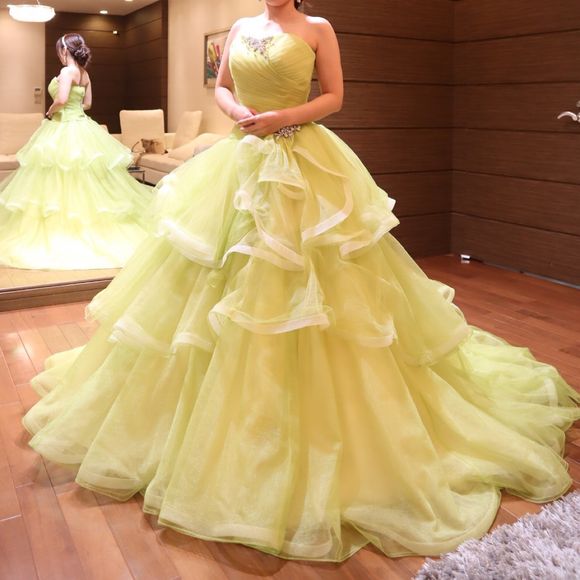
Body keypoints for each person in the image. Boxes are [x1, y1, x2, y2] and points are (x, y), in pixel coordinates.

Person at [22, 1, 580, 562]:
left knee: (312, 273)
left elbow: (334, 96)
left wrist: (283, 118)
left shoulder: (317, 28)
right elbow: (222, 87)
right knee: (218, 273)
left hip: (302, 154)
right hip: (241, 156)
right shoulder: (242, 27)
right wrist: (239, 112)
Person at [0, 33, 152, 270]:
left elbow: (61, 98)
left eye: (59, 51)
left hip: (63, 126)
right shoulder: (84, 73)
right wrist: (74, 108)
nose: (59, 55)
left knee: (57, 175)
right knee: (86, 178)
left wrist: (50, 112)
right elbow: (88, 104)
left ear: (64, 50)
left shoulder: (66, 72)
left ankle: (61, 227)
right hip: (81, 124)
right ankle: (92, 226)